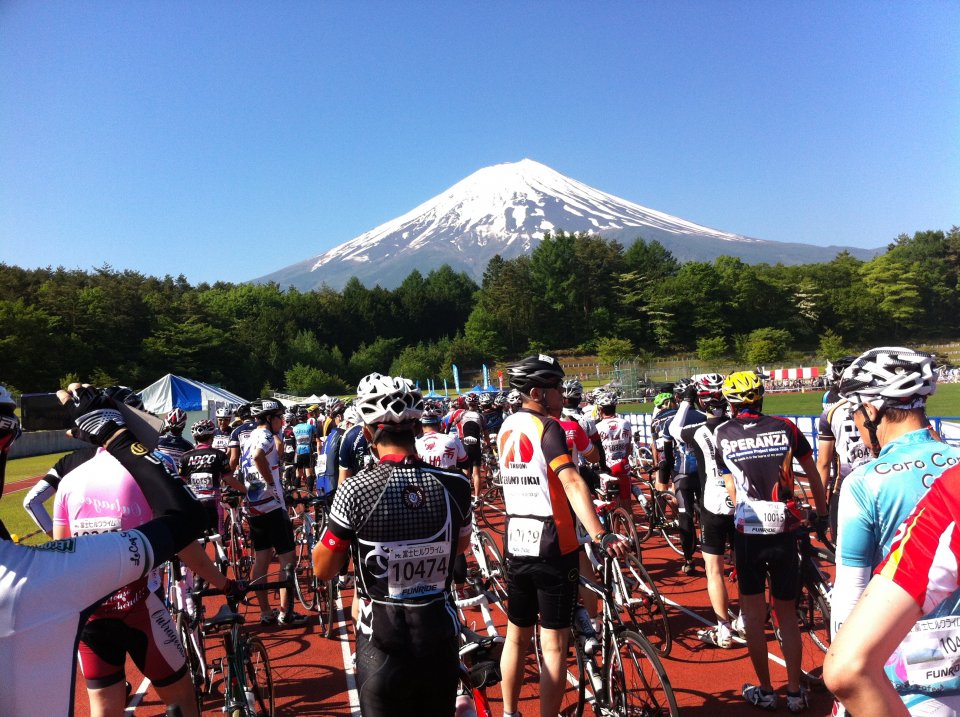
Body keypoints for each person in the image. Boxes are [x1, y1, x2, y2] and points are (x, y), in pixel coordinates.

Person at [0, 383, 209, 717]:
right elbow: (186, 523)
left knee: (104, 707)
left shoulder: (69, 479)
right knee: (181, 698)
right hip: (138, 603)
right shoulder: (142, 470)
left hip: (90, 616)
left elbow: (60, 541)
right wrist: (117, 436)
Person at [312, 373, 473, 717]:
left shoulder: (355, 489)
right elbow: (460, 547)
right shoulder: (456, 483)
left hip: (382, 642)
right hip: (438, 635)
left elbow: (323, 568)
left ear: (368, 433)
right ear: (416, 430)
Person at [827, 347, 960, 716]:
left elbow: (850, 596)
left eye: (854, 411)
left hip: (897, 683)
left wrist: (844, 698)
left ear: (872, 410)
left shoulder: (864, 483)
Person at [496, 355, 628, 717]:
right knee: (553, 646)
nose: (561, 392)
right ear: (537, 392)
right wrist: (600, 535)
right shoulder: (549, 427)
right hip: (553, 542)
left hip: (516, 541)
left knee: (517, 636)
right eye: (555, 386)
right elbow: (570, 480)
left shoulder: (507, 426)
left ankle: (509, 712)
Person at [714, 370, 827, 712]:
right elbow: (814, 473)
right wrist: (821, 514)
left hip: (748, 533)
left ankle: (765, 689)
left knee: (752, 613)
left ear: (730, 402)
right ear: (762, 396)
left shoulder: (721, 433)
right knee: (787, 614)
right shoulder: (787, 427)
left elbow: (732, 489)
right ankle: (794, 692)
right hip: (785, 529)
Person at [825, 462, 960, 717]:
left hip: (908, 684)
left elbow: (847, 666)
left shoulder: (863, 481)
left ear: (871, 418)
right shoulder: (953, 462)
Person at [238, 398, 308, 625]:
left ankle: (266, 611)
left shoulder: (249, 436)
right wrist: (270, 483)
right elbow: (259, 457)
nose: (282, 421)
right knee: (288, 558)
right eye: (279, 417)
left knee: (262, 557)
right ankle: (285, 612)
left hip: (254, 505)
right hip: (271, 504)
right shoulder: (266, 436)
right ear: (269, 418)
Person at [815, 356, 869, 541]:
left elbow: (823, 463)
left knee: (845, 552)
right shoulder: (881, 405)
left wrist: (821, 509)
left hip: (845, 486)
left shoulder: (830, 413)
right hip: (880, 482)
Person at [667, 378, 706, 575]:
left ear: (678, 398)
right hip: (704, 474)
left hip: (682, 474)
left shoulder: (671, 421)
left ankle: (689, 559)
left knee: (686, 516)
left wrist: (664, 477)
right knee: (707, 513)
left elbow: (666, 454)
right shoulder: (704, 416)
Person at [594, 391, 633, 509]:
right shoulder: (625, 423)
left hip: (607, 467)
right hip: (623, 465)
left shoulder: (597, 426)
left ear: (600, 409)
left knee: (606, 502)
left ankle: (609, 523)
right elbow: (629, 446)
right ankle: (628, 524)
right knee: (626, 504)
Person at [416, 403, 469, 470]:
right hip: (448, 479)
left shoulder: (416, 444)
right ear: (440, 425)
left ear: (421, 426)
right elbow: (465, 464)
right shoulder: (453, 439)